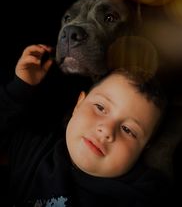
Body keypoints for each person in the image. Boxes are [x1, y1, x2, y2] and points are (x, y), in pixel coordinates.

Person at [0, 44, 171, 207]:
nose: (106, 131)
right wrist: (20, 88)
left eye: (128, 130)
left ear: (144, 148)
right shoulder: (35, 151)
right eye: (100, 107)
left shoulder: (141, 195)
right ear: (78, 104)